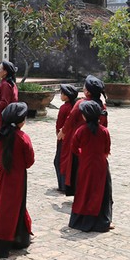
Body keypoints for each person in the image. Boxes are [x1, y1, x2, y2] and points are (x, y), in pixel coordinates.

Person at [0, 102, 35, 259]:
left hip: (2, 176)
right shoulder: (23, 138)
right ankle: (5, 241)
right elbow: (29, 161)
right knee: (13, 207)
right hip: (17, 178)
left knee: (4, 206)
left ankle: (19, 236)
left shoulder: (0, 136)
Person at [58, 75, 108, 196]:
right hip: (95, 144)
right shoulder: (102, 106)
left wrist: (62, 132)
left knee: (77, 167)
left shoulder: (81, 103)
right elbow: (105, 125)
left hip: (79, 140)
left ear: (87, 92)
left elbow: (70, 119)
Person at [69, 100, 113, 233]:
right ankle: (102, 220)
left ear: (84, 116)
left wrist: (84, 154)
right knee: (102, 192)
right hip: (101, 165)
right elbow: (107, 149)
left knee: (84, 191)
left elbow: (74, 148)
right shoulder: (104, 131)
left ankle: (82, 220)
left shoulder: (80, 131)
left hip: (86, 164)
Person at [54, 84, 78, 192]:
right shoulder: (74, 107)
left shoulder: (64, 108)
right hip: (72, 137)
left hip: (63, 137)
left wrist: (59, 135)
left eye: (62, 93)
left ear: (67, 96)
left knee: (59, 161)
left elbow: (59, 124)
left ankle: (62, 185)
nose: (60, 95)